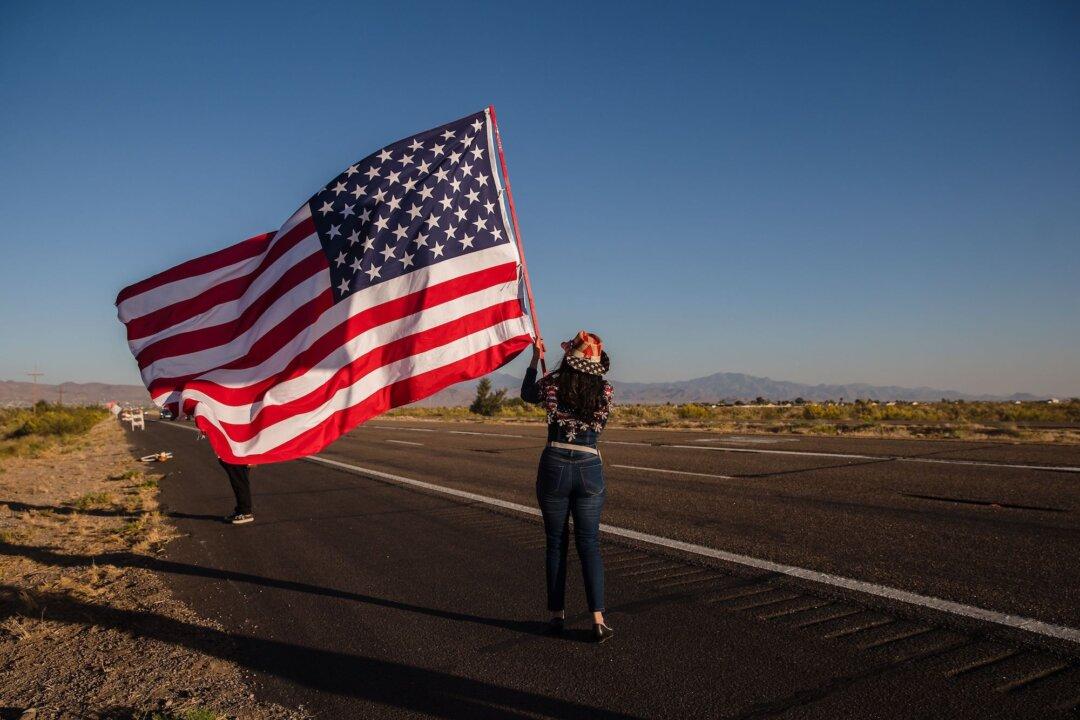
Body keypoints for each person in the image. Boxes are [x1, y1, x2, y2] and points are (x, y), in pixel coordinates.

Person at [521, 331, 615, 643]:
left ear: (568, 357)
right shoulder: (604, 390)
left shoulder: (551, 384)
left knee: (556, 543)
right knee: (589, 544)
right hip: (589, 467)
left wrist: (536, 359)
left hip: (555, 463)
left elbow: (525, 394)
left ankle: (556, 616)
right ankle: (598, 620)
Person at [219, 459, 254, 524]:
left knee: (239, 481)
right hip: (238, 454)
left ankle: (245, 512)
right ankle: (242, 510)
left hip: (239, 455)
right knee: (238, 480)